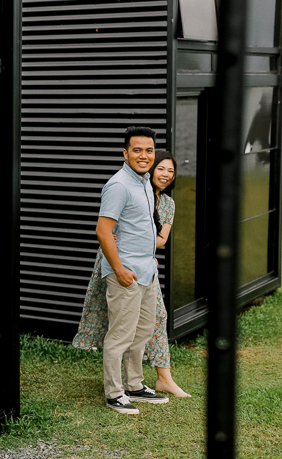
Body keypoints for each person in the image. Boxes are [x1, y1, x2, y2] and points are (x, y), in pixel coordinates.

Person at [73, 150, 189, 397]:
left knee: (151, 320)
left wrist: (144, 247)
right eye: (161, 168)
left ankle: (142, 382)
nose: (166, 174)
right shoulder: (127, 188)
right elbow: (107, 228)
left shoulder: (166, 203)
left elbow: (161, 239)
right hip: (119, 263)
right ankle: (118, 390)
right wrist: (123, 241)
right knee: (120, 323)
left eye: (171, 171)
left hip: (145, 266)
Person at [92, 126, 169, 414]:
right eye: (137, 150)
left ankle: (134, 385)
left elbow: (138, 226)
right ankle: (115, 393)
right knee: (120, 335)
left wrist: (150, 256)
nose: (144, 155)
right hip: (125, 274)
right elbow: (103, 231)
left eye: (149, 150)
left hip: (146, 271)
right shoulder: (119, 185)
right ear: (125, 153)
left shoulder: (145, 181)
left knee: (144, 330)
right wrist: (119, 269)